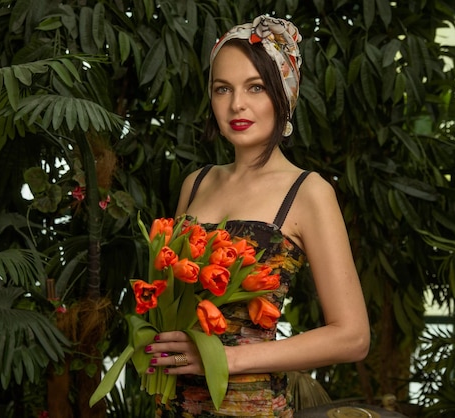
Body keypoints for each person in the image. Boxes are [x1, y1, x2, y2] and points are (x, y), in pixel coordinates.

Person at [144, 15, 370, 417]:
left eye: (256, 87)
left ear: (284, 94)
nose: (236, 105)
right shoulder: (195, 184)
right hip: (173, 405)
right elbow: (170, 301)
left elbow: (352, 337)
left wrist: (223, 359)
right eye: (222, 89)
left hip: (250, 408)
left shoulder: (308, 192)